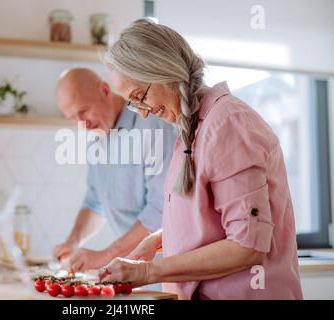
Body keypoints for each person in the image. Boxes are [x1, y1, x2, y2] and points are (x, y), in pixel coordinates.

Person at [99, 19, 303, 300]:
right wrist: (159, 239)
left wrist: (149, 272)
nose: (143, 113)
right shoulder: (192, 132)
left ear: (163, 70)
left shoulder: (228, 123)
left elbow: (248, 244)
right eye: (134, 106)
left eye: (140, 97)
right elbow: (211, 221)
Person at [54, 68, 176, 273]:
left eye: (83, 111)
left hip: (163, 271)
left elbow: (162, 209)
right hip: (130, 269)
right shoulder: (96, 137)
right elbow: (95, 202)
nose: (82, 124)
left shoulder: (151, 125)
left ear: (104, 90)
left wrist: (107, 256)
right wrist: (73, 242)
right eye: (73, 118)